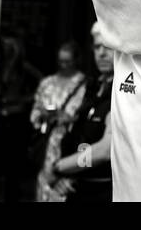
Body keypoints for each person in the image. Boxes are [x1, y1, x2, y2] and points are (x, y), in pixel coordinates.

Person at [44, 24, 114, 203]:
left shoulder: (121, 92)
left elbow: (103, 151)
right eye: (97, 47)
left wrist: (61, 167)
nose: (102, 53)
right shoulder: (93, 86)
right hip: (77, 185)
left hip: (100, 190)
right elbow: (84, 139)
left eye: (107, 46)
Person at [31, 41, 85, 203]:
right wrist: (43, 115)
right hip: (46, 145)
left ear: (76, 60)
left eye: (67, 61)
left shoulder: (83, 84)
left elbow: (84, 122)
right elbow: (34, 114)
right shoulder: (47, 83)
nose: (64, 65)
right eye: (61, 61)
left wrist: (67, 117)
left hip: (68, 147)